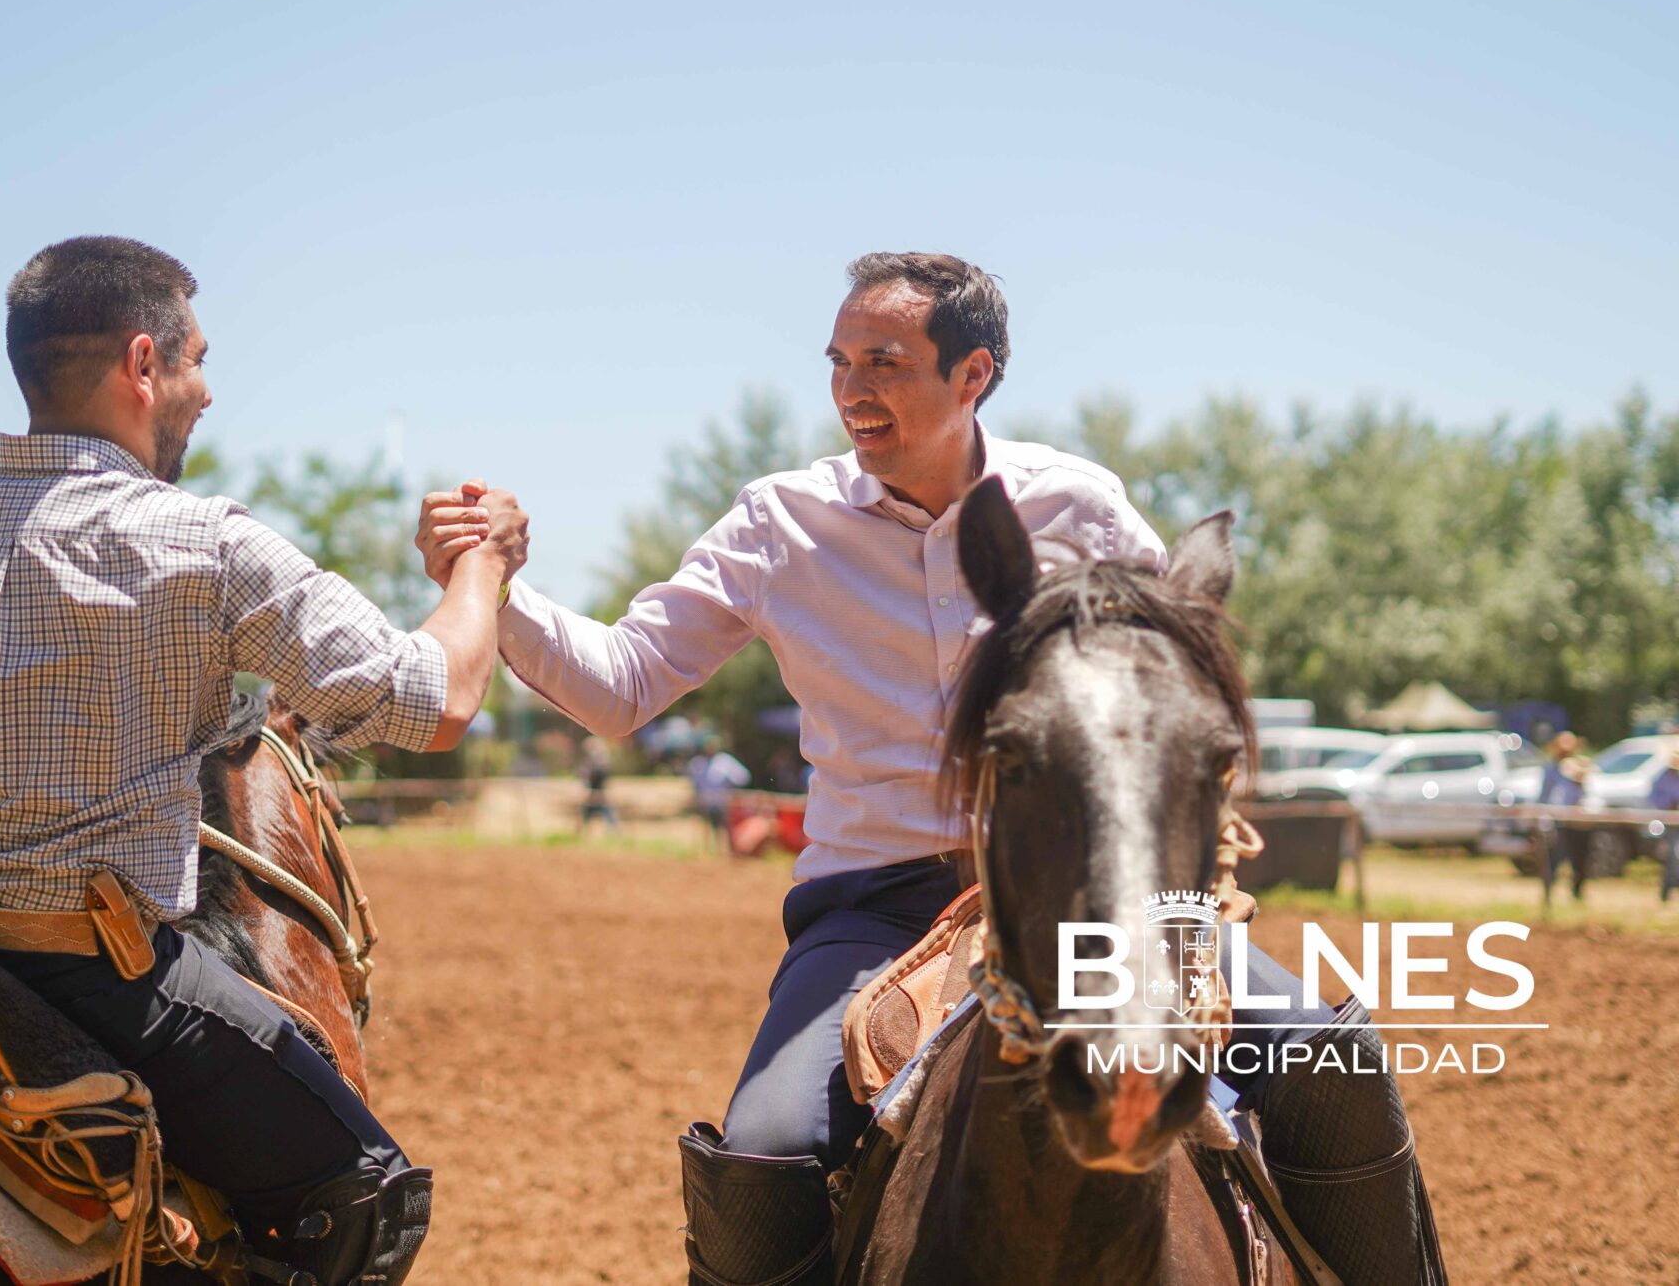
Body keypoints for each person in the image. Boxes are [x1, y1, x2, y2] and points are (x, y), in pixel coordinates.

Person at [419, 251, 1444, 1286]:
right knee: (764, 1150)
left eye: (885, 362)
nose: (852, 390)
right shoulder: (777, 525)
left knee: (1335, 1064)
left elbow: (1166, 685)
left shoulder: (1078, 506)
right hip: (875, 909)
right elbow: (621, 684)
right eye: (839, 362)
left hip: (1090, 896)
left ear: (973, 374)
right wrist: (490, 585)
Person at [0, 236, 526, 1286]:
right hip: (81, 972)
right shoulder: (202, 545)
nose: (207, 391)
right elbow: (432, 701)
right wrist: (480, 566)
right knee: (366, 1194)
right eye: (199, 360)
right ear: (143, 362)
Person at [1537, 732, 1595, 900]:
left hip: (1579, 823)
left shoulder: (1579, 769)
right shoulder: (1551, 770)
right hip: (1560, 822)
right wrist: (1543, 819)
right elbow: (1546, 796)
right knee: (1554, 860)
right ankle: (1548, 895)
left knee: (1580, 861)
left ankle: (1576, 894)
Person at [687, 743, 748, 848]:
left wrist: (730, 781)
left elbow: (742, 777)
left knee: (724, 827)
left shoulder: (725, 761)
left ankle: (725, 850)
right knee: (707, 826)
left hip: (723, 801)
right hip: (706, 801)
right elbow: (694, 781)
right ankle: (707, 850)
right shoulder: (698, 763)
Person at [1648, 736, 1679, 906]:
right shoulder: (1662, 778)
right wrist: (1670, 805)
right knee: (1673, 857)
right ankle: (1666, 891)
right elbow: (1655, 800)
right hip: (1668, 824)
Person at [576, 732, 621, 834]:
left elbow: (602, 778)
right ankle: (579, 833)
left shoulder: (600, 762)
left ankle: (616, 832)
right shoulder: (592, 762)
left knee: (605, 813)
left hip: (598, 793)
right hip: (594, 793)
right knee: (588, 813)